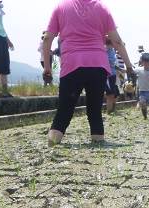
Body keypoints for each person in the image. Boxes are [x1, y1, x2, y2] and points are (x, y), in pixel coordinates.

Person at [42, 0, 133, 145]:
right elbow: (117, 41)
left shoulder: (61, 7)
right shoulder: (102, 8)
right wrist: (128, 66)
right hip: (98, 65)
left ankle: (52, 143)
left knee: (64, 110)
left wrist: (47, 68)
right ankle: (98, 142)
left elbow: (47, 38)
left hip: (72, 65)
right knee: (95, 110)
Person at [134, 53, 149, 119]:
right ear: (142, 62)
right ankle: (145, 117)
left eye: (148, 63)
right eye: (145, 63)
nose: (147, 65)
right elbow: (131, 71)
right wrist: (120, 69)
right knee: (142, 104)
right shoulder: (139, 70)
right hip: (142, 91)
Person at [105, 38, 121, 114]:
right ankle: (109, 111)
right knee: (109, 94)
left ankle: (112, 110)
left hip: (113, 74)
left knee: (114, 93)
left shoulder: (112, 51)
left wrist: (120, 70)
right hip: (107, 75)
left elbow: (114, 64)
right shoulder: (104, 51)